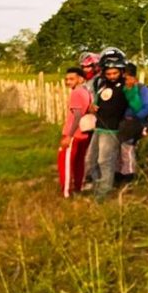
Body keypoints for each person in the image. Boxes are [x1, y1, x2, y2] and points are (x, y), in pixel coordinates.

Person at [83, 48, 129, 200]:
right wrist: (92, 107)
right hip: (99, 128)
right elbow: (95, 104)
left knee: (105, 161)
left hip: (112, 131)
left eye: (115, 73)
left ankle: (103, 192)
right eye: (108, 74)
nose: (112, 76)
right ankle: (97, 185)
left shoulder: (126, 87)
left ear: (122, 71)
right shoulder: (102, 86)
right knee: (91, 159)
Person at [58, 67, 93, 198]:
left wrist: (69, 136)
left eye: (72, 79)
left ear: (80, 79)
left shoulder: (76, 93)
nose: (68, 82)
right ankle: (78, 187)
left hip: (74, 134)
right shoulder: (87, 92)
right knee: (79, 163)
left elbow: (77, 116)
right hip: (84, 133)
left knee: (65, 163)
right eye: (66, 79)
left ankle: (66, 192)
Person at [118, 63, 148, 182]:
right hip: (125, 123)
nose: (125, 80)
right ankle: (122, 173)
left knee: (127, 147)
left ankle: (129, 176)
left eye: (127, 77)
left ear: (134, 77)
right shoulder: (124, 88)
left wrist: (134, 118)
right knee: (121, 148)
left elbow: (147, 108)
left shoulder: (142, 89)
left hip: (136, 123)